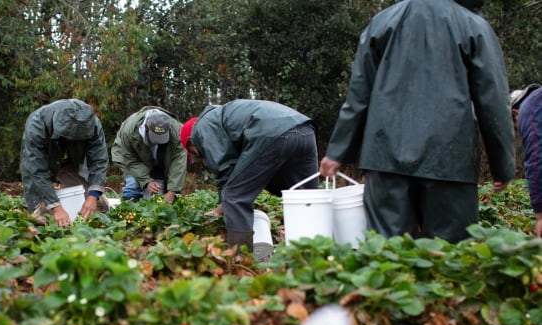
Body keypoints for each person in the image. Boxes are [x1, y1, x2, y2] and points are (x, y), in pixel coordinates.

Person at [319, 0, 516, 243]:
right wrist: (502, 164)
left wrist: (337, 152)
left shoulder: (382, 22)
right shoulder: (472, 25)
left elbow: (359, 95)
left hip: (385, 156)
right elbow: (493, 100)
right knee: (451, 254)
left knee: (389, 251)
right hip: (449, 159)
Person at [179, 99, 319, 252]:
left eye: (194, 152)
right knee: (306, 198)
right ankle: (313, 252)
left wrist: (226, 202)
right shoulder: (221, 117)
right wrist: (222, 207)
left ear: (191, 141)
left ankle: (240, 259)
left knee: (234, 196)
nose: (202, 157)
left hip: (271, 134)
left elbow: (226, 169)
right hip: (305, 129)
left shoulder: (201, 128)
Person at [20, 99, 109, 226]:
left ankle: (92, 210)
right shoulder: (37, 125)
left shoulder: (92, 124)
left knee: (97, 205)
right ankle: (38, 213)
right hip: (45, 157)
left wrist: (93, 196)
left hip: (74, 158)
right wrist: (56, 207)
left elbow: (99, 161)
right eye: (68, 136)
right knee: (39, 214)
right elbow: (36, 170)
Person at [111, 107, 187, 204]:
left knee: (157, 195)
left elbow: (178, 162)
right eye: (156, 137)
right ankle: (128, 210)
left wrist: (172, 191)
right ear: (146, 128)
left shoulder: (177, 131)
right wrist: (147, 181)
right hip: (130, 158)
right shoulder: (129, 131)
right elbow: (131, 159)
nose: (158, 141)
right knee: (133, 185)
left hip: (158, 160)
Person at [511, 83, 542, 237]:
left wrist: (540, 215)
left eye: (516, 127)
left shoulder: (529, 107)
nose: (519, 129)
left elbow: (536, 159)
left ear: (515, 112)